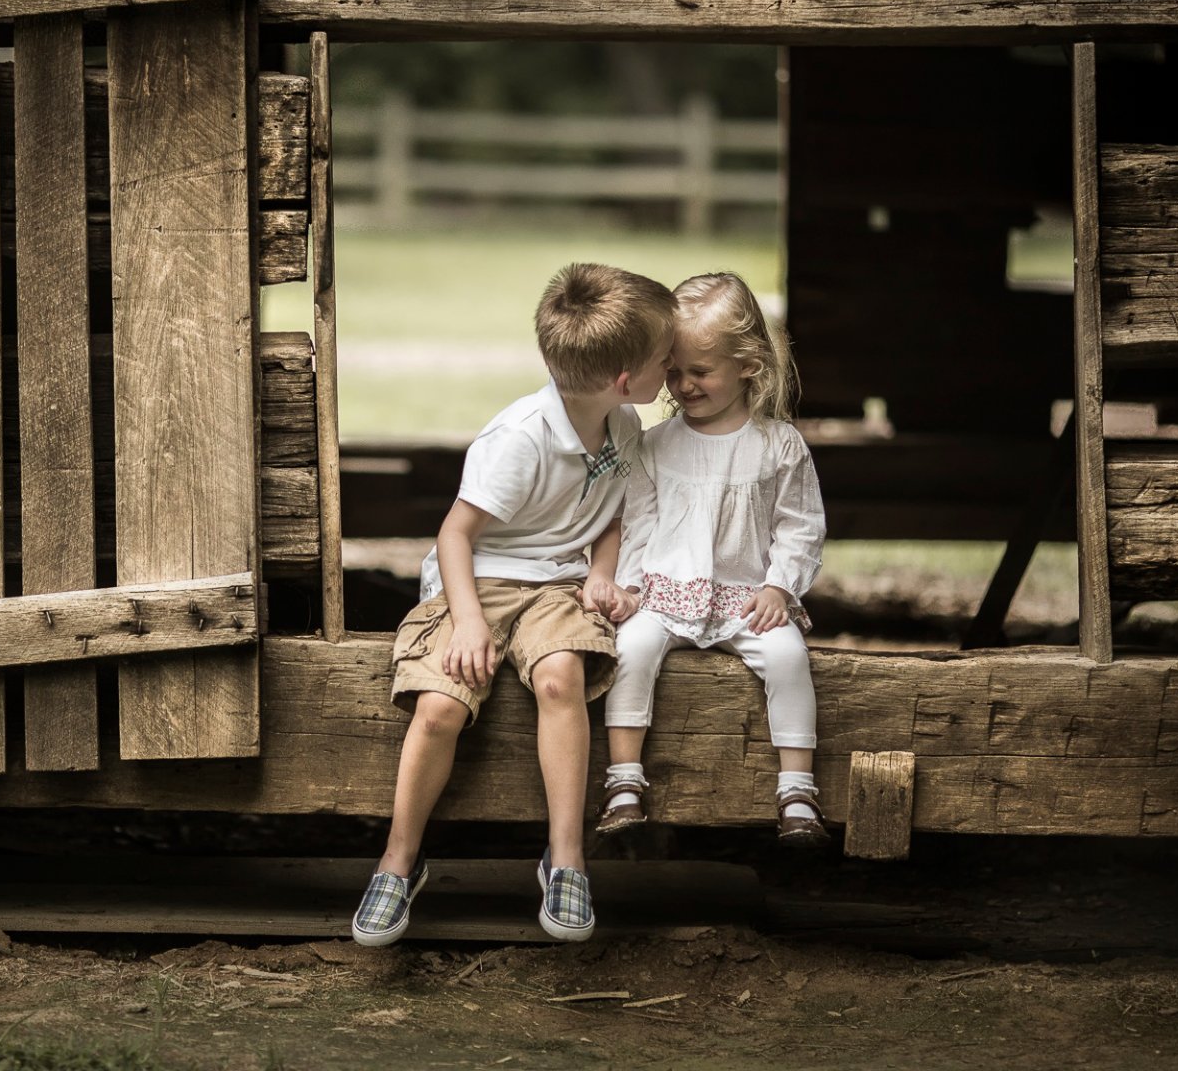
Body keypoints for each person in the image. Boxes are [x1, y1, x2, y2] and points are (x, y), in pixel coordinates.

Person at [351, 263, 676, 946]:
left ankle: (565, 860)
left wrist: (603, 573)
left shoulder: (624, 426)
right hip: (480, 582)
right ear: (625, 379)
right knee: (441, 705)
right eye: (664, 359)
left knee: (562, 677)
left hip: (556, 588)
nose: (672, 368)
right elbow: (454, 534)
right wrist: (467, 620)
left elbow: (613, 515)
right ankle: (398, 862)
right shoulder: (521, 438)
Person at [596, 271, 829, 845]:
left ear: (748, 364)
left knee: (788, 657)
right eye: (673, 371)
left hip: (746, 598)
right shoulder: (655, 444)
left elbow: (800, 527)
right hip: (664, 590)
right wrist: (629, 588)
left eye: (699, 372)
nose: (683, 384)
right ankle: (624, 782)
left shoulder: (778, 445)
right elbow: (638, 521)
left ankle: (797, 790)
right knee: (631, 649)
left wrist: (780, 588)